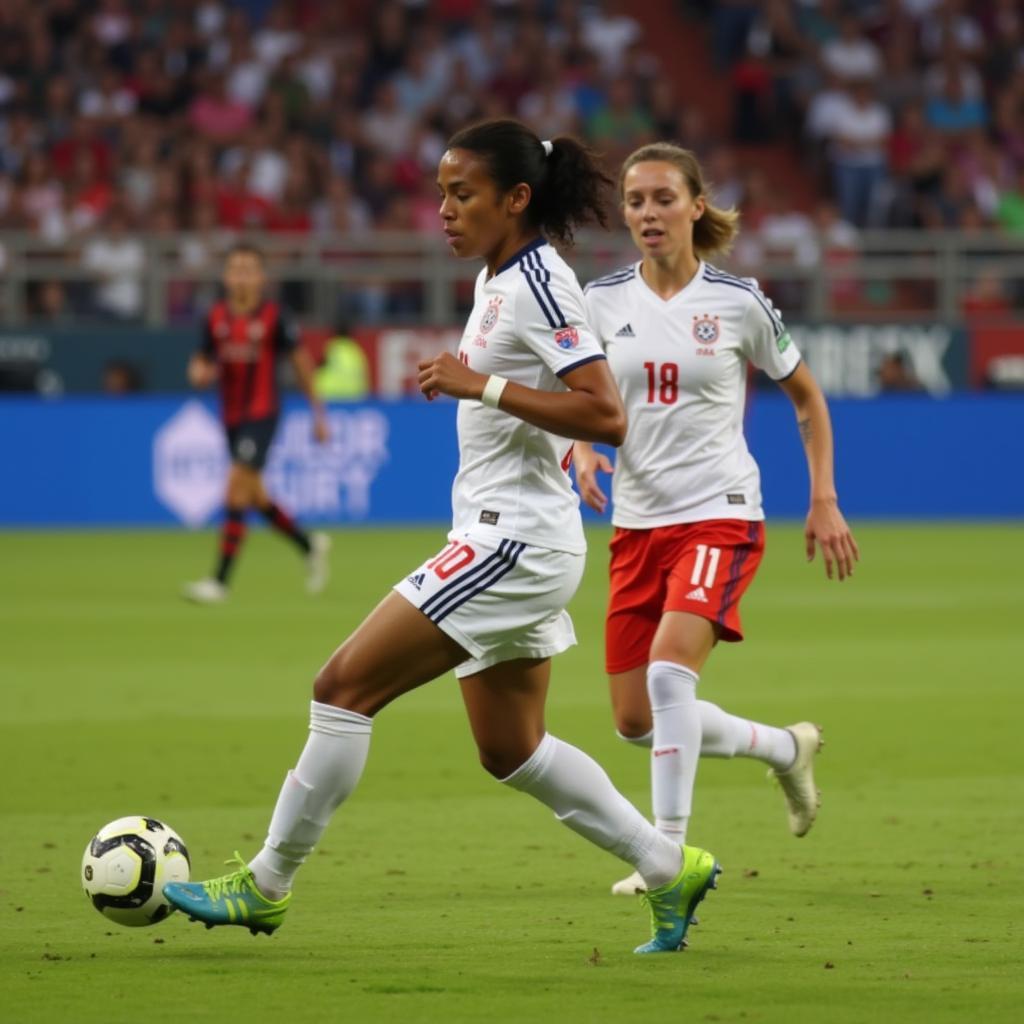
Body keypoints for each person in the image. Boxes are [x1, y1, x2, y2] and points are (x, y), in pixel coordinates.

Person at [164, 120, 721, 955]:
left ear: (516, 198)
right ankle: (666, 864)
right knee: (511, 748)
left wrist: (480, 383)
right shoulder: (502, 275)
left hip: (512, 545)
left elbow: (608, 413)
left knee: (341, 687)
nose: (444, 211)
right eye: (440, 193)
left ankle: (267, 883)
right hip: (523, 535)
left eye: (462, 194)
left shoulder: (539, 281)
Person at [575, 142, 859, 896]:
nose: (648, 214)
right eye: (635, 201)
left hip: (721, 515)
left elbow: (808, 399)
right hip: (637, 527)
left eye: (663, 199)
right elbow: (582, 394)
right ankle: (782, 749)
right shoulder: (601, 301)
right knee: (636, 720)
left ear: (697, 206)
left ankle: (666, 859)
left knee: (671, 673)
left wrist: (822, 497)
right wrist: (578, 442)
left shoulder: (739, 301)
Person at [183, 243, 331, 604]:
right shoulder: (215, 317)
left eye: (250, 269)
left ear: (262, 278)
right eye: (236, 269)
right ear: (226, 276)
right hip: (231, 417)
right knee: (254, 495)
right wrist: (198, 373)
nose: (242, 277)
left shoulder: (275, 318)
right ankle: (309, 544)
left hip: (263, 414)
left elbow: (301, 364)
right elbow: (200, 361)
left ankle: (219, 581)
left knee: (236, 486)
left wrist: (318, 414)